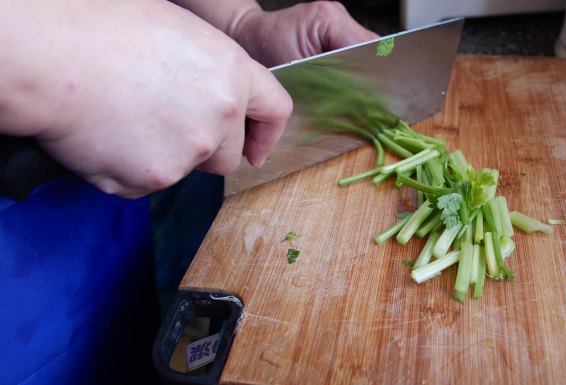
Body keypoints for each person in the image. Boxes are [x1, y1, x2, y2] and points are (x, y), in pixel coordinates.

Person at [0, 0, 377, 383]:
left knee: (121, 347)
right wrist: (66, 53)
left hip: (93, 217)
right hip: (16, 273)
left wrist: (238, 20)